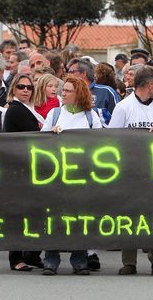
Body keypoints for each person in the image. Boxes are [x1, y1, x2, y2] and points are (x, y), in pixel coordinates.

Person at [107, 66, 153, 276]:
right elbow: (112, 139)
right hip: (130, 170)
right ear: (149, 85)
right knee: (129, 214)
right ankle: (129, 261)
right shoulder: (123, 107)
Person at [41, 76, 101, 276]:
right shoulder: (55, 113)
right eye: (62, 90)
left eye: (67, 91)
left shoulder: (91, 117)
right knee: (54, 217)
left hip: (82, 177)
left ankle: (80, 259)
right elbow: (40, 140)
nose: (62, 93)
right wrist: (51, 134)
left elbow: (101, 144)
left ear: (79, 94)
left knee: (80, 218)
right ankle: (51, 259)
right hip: (56, 177)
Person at [3, 73, 45, 271]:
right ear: (13, 89)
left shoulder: (29, 108)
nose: (26, 90)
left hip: (30, 168)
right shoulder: (16, 110)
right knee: (19, 214)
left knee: (33, 212)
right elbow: (35, 136)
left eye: (29, 87)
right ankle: (16, 258)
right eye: (21, 87)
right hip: (18, 169)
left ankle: (31, 254)